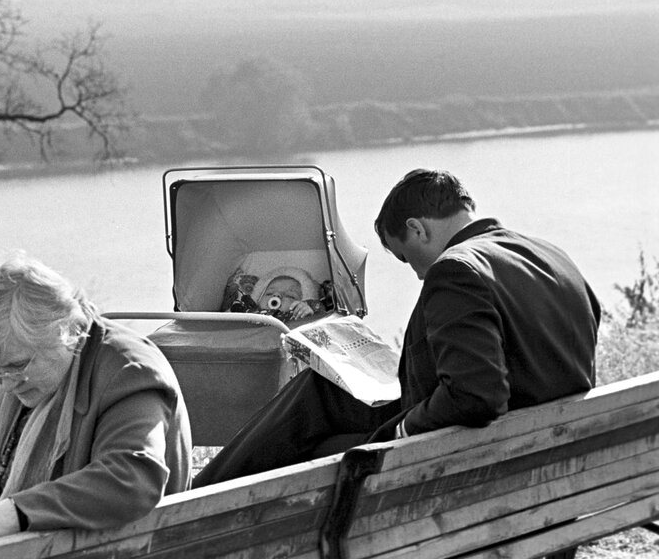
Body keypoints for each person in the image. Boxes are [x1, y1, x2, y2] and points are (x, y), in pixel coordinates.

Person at [193, 168, 600, 493]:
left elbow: (476, 396)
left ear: (418, 228)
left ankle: (194, 503)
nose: (419, 273)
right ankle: (199, 493)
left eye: (408, 258)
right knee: (324, 391)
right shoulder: (550, 256)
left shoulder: (456, 270)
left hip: (480, 464)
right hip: (551, 454)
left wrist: (399, 430)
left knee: (309, 436)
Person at [0, 255, 192, 549]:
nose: (6, 382)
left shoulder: (128, 372)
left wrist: (13, 514)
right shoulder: (6, 366)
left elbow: (131, 478)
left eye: (17, 366)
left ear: (64, 333)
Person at [225, 266, 325, 322]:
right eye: (269, 293)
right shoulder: (249, 311)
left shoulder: (296, 316)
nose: (277, 295)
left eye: (290, 295)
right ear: (258, 299)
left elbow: (319, 314)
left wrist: (308, 310)